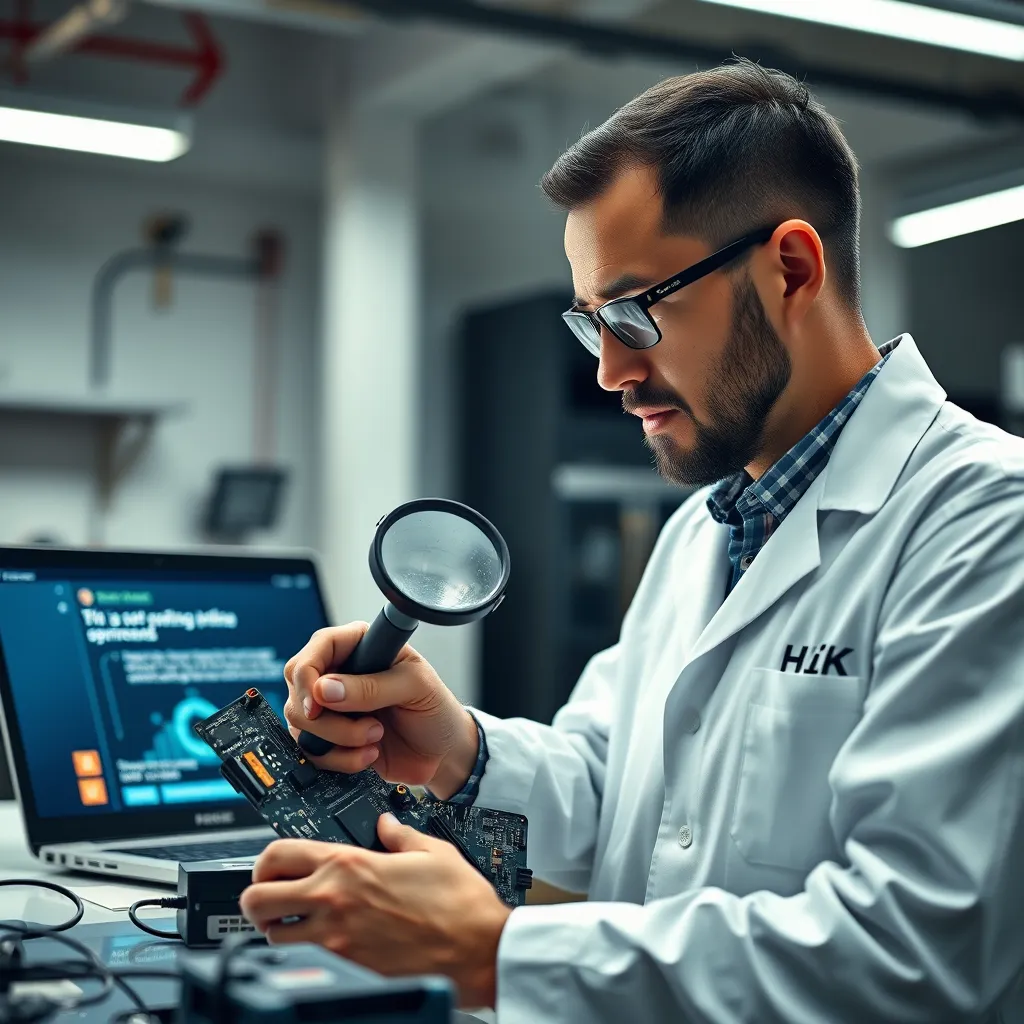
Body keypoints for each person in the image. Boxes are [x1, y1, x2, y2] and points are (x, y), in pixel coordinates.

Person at [238, 59, 1024, 1022]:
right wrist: (462, 747)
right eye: (589, 322)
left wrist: (500, 952)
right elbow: (626, 797)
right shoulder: (708, 525)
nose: (611, 369)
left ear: (792, 268)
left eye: (633, 311)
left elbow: (919, 953)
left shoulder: (989, 523)